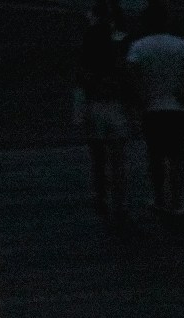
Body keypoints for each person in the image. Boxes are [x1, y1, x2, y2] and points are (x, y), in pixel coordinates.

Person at [72, 3, 136, 217]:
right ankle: (120, 203)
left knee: (98, 158)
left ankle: (101, 197)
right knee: (118, 158)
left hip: (94, 105)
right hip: (114, 105)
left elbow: (80, 76)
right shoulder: (117, 43)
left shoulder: (89, 41)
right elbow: (125, 75)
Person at [128, 16, 184, 214]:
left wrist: (140, 95)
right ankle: (176, 201)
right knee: (176, 158)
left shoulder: (139, 46)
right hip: (176, 108)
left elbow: (130, 70)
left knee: (155, 156)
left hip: (152, 108)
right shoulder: (182, 45)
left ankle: (159, 199)